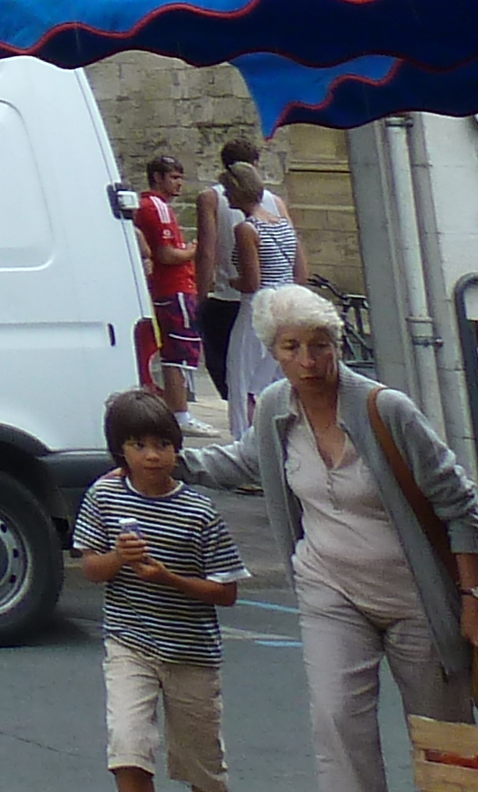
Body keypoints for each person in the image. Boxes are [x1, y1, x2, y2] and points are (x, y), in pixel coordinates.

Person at [186, 284, 478, 792]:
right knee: (337, 723)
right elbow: (241, 461)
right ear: (273, 352)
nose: (307, 360)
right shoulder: (275, 409)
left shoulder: (386, 410)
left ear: (338, 345)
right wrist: (170, 464)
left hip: (415, 597)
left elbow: (460, 504)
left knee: (442, 738)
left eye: (320, 344)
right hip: (330, 589)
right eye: (291, 347)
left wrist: (471, 598)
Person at [75, 386, 243, 792]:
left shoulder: (198, 511)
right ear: (121, 452)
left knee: (202, 767)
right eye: (139, 445)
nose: (152, 456)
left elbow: (226, 591)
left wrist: (170, 579)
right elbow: (92, 569)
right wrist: (119, 558)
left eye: (163, 444)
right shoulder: (105, 496)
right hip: (130, 646)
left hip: (191, 653)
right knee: (128, 750)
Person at [223, 154, 301, 435]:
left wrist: (231, 281)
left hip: (257, 309)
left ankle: (247, 441)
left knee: (243, 380)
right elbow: (297, 267)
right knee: (274, 377)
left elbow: (252, 281)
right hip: (285, 303)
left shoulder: (246, 229)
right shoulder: (281, 222)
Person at [137, 156, 206, 415]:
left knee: (172, 350)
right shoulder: (157, 207)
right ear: (158, 177)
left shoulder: (148, 206)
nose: (180, 184)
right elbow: (166, 254)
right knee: (178, 351)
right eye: (174, 177)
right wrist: (193, 251)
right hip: (174, 288)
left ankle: (178, 410)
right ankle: (181, 413)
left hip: (166, 289)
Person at [197, 142, 254, 413]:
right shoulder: (272, 200)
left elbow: (206, 249)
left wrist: (200, 294)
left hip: (227, 293)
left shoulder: (211, 197)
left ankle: (243, 419)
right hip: (266, 296)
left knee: (224, 365)